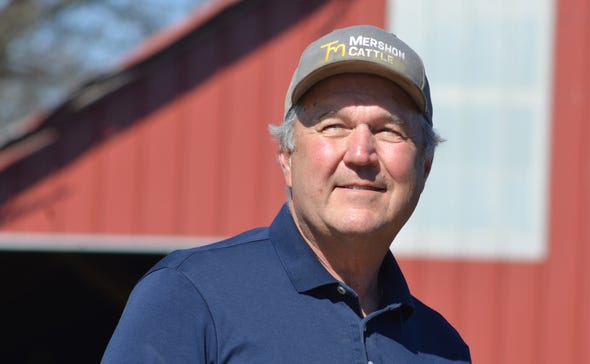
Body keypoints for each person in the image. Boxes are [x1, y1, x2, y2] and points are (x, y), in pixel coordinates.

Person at [102, 24, 471, 363]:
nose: (361, 154)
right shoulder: (190, 297)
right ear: (287, 156)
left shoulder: (444, 348)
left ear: (425, 166)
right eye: (333, 126)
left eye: (389, 130)